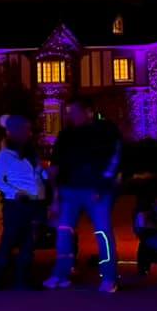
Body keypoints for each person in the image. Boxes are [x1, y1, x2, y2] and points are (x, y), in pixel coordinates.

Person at [45, 97, 122, 293]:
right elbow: (56, 163)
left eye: (75, 111)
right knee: (64, 232)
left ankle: (109, 277)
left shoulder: (105, 131)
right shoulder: (66, 134)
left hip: (96, 190)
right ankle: (61, 273)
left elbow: (115, 158)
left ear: (89, 111)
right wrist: (55, 192)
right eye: (70, 112)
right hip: (69, 190)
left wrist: (103, 183)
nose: (71, 116)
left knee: (103, 233)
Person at [0, 115, 43, 290]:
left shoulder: (31, 154)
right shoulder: (4, 156)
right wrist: (15, 192)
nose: (29, 133)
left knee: (29, 241)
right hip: (16, 204)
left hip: (32, 202)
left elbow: (37, 175)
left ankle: (22, 278)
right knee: (9, 240)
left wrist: (46, 178)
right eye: (25, 129)